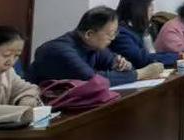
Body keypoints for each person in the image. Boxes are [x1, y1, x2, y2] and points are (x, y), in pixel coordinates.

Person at [30, 7, 163, 85]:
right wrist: (141, 73)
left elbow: (119, 69)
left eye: (115, 33)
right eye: (110, 34)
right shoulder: (60, 50)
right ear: (89, 34)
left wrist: (125, 66)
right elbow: (94, 80)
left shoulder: (94, 46)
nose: (114, 38)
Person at [111, 0, 181, 68]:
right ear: (138, 9)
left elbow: (154, 54)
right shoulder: (121, 34)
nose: (153, 9)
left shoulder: (145, 26)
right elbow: (141, 59)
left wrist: (178, 56)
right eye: (150, 5)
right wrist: (178, 57)